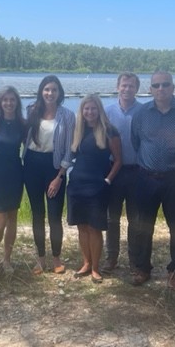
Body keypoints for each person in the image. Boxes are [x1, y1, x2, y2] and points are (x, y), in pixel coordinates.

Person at [129, 71, 175, 287]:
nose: (161, 89)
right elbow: (136, 141)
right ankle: (142, 268)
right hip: (146, 177)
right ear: (150, 89)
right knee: (142, 225)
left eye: (165, 85)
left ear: (173, 87)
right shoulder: (141, 113)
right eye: (156, 85)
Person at [23, 75, 75, 275]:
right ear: (41, 91)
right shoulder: (31, 110)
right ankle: (40, 259)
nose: (50, 93)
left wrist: (60, 175)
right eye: (46, 89)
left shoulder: (68, 116)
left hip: (55, 167)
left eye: (54, 90)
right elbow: (24, 135)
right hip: (32, 165)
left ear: (59, 93)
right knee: (37, 214)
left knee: (54, 215)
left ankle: (56, 258)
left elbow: (70, 150)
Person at [67, 94, 122, 284]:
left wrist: (107, 180)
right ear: (82, 111)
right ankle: (86, 263)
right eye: (86, 109)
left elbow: (118, 160)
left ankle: (96, 268)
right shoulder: (78, 130)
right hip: (76, 185)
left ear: (99, 110)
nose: (89, 112)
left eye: (93, 108)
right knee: (81, 226)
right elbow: (71, 157)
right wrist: (59, 175)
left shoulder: (109, 131)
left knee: (94, 228)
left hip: (97, 187)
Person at [0, 86, 26, 274]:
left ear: (17, 103)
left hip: (15, 174)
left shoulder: (23, 124)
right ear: (0, 102)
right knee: (0, 222)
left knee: (12, 219)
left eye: (12, 100)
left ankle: (7, 259)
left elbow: (30, 147)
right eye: (5, 100)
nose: (9, 103)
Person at [102, 72, 143, 274]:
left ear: (137, 89)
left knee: (135, 219)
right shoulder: (107, 112)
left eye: (131, 86)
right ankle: (111, 257)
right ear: (117, 87)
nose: (127, 89)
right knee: (111, 218)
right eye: (124, 85)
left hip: (136, 172)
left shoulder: (144, 111)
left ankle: (134, 261)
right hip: (113, 170)